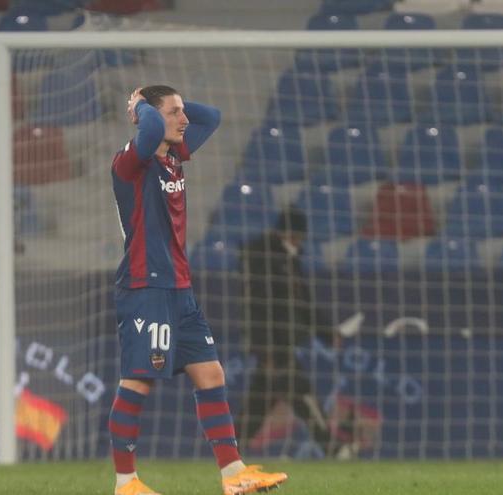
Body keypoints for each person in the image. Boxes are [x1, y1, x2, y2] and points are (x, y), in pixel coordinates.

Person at [108, 85, 287, 495]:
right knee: (137, 381)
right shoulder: (130, 162)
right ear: (146, 118)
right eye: (174, 113)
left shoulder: (173, 157)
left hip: (179, 288)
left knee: (210, 373)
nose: (184, 120)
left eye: (181, 111)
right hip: (145, 288)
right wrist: (141, 105)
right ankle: (126, 483)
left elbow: (213, 117)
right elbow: (152, 126)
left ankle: (234, 474)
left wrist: (174, 102)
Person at [238, 208, 336, 456]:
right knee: (302, 393)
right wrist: (265, 347)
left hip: (278, 342)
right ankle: (333, 447)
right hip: (273, 344)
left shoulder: (288, 259)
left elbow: (304, 303)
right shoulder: (263, 258)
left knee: (259, 402)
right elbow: (257, 306)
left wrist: (326, 332)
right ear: (290, 234)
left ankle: (231, 449)